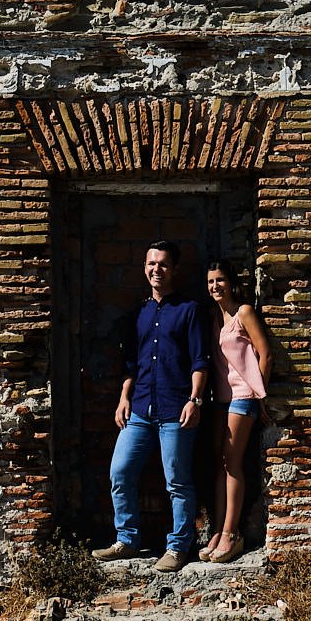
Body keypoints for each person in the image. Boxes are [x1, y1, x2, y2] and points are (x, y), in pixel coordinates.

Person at [92, 240, 211, 573]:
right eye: (151, 263)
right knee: (120, 472)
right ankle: (127, 540)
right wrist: (124, 397)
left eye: (163, 264)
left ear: (174, 269)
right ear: (144, 267)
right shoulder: (140, 313)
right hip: (140, 408)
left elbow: (200, 361)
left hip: (176, 409)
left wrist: (195, 400)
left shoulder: (189, 309)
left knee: (177, 481)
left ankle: (178, 546)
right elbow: (132, 363)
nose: (156, 269)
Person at [199, 260, 273, 564]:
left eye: (220, 280)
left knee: (232, 463)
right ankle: (219, 530)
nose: (215, 286)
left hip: (243, 396)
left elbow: (265, 354)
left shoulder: (244, 312)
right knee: (220, 464)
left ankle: (232, 533)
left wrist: (260, 397)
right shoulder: (215, 318)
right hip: (221, 398)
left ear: (231, 283)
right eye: (210, 282)